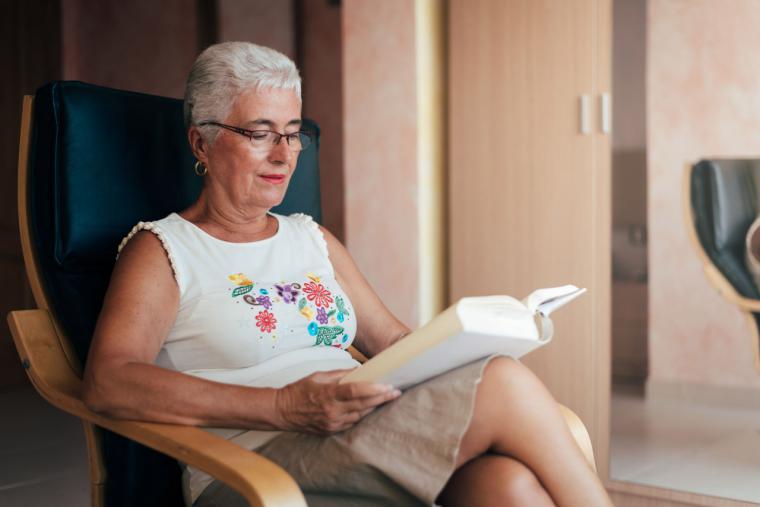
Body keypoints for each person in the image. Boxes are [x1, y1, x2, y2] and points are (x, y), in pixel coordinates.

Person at [82, 41, 613, 507]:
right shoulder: (164, 249)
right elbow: (109, 381)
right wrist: (284, 407)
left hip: (357, 434)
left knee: (508, 487)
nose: (283, 154)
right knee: (502, 384)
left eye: (292, 134)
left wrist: (475, 339)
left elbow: (395, 343)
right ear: (202, 142)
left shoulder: (310, 237)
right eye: (259, 133)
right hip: (254, 466)